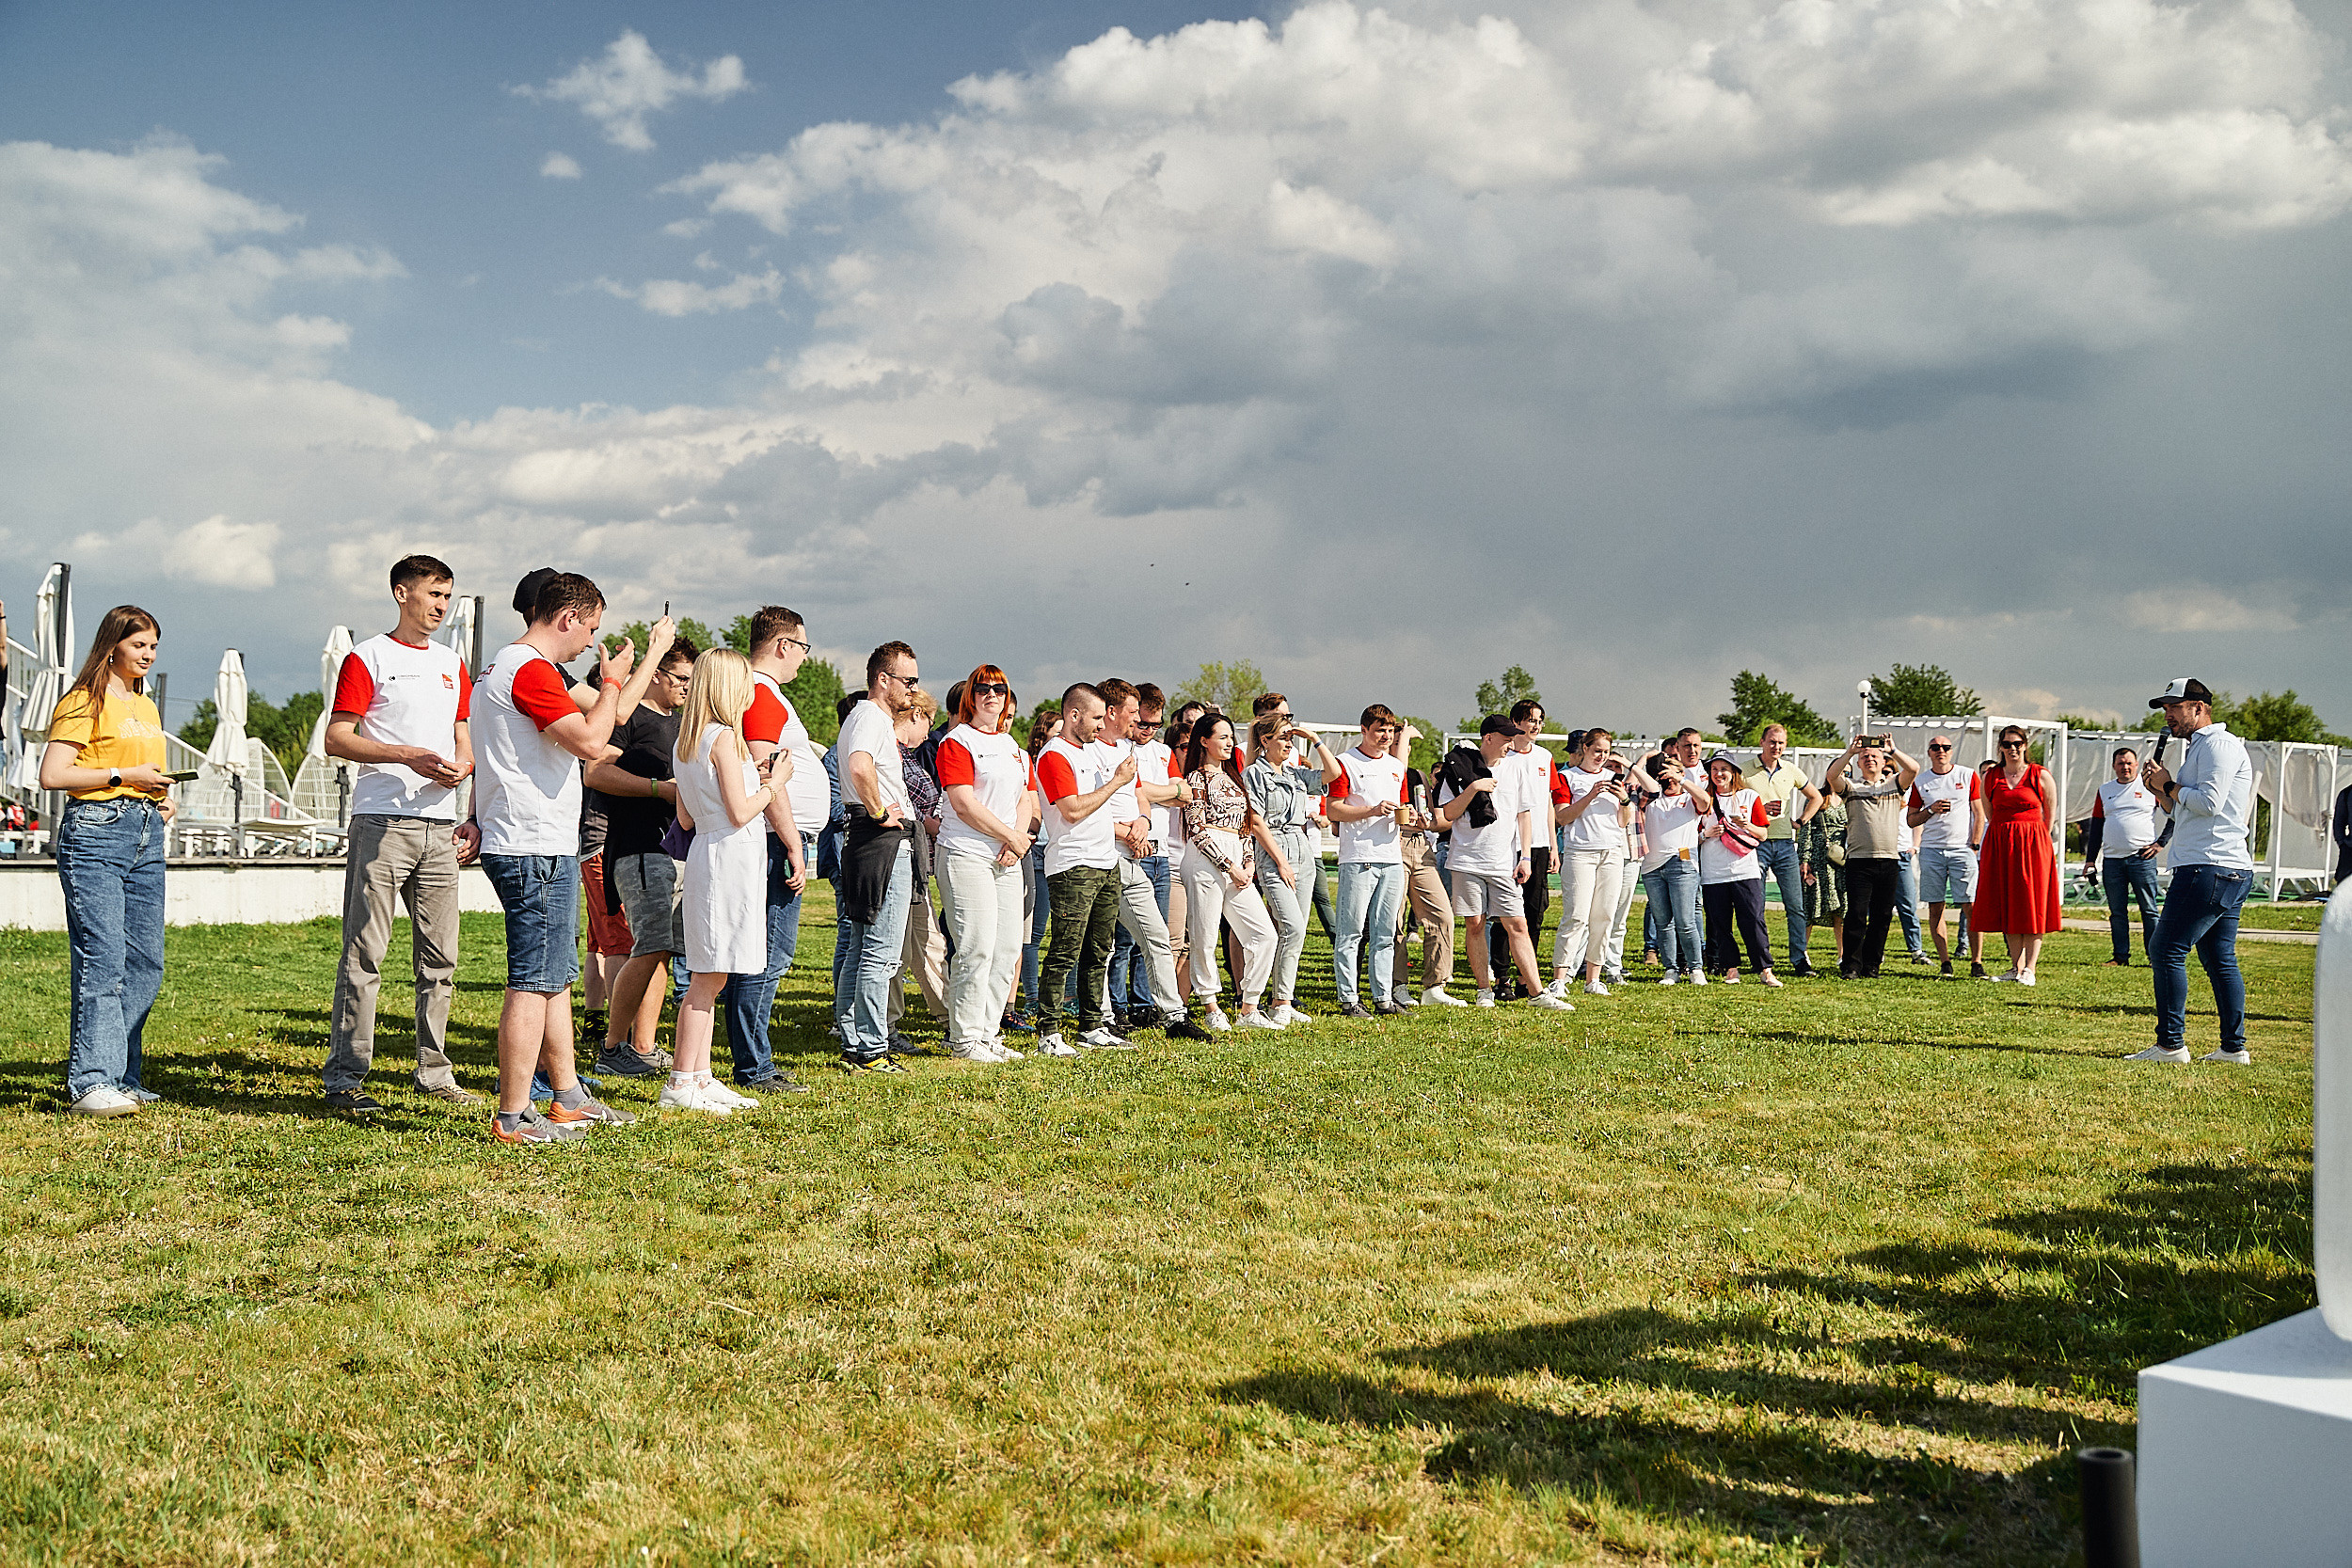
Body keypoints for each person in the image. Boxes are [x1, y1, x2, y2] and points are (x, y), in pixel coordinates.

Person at [471, 573, 666, 1143]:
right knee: (532, 980)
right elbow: (590, 741)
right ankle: (513, 1115)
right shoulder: (529, 669)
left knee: (554, 979)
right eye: (591, 628)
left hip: (541, 843)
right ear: (567, 618)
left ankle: (567, 1097)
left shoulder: (509, 667)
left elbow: (594, 727)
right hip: (531, 846)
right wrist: (612, 682)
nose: (590, 642)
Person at [320, 555, 480, 1115]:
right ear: (401, 593)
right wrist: (405, 756)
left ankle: (434, 1072)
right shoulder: (367, 656)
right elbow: (337, 738)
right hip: (382, 821)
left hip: (440, 824)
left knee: (441, 959)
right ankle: (345, 1078)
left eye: (448, 596)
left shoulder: (452, 662)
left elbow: (463, 734)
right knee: (365, 954)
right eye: (433, 593)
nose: (441, 606)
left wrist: (464, 765)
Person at [40, 605, 177, 1117]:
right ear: (112, 645)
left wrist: (161, 795)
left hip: (144, 830)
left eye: (154, 646)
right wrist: (123, 777)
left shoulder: (145, 705)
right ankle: (91, 1082)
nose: (149, 654)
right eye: (139, 645)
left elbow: (146, 769)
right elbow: (54, 775)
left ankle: (123, 1078)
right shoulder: (83, 700)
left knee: (145, 961)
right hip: (96, 833)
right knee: (104, 958)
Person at [661, 648, 777, 1115]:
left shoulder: (686, 741)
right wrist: (773, 784)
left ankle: (701, 1076)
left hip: (711, 852)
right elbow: (741, 811)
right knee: (708, 976)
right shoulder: (724, 738)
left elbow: (687, 816)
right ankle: (681, 1080)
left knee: (714, 970)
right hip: (729, 855)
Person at [721, 606, 826, 1096]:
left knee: (768, 952)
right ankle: (754, 1065)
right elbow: (768, 772)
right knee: (768, 953)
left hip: (777, 837)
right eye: (803, 647)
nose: (805, 657)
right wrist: (791, 841)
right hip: (774, 839)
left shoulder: (764, 692)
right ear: (783, 645)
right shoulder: (762, 694)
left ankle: (755, 1059)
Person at [582, 636, 695, 1078]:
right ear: (657, 674)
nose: (686, 687)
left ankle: (643, 1047)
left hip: (675, 849)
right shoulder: (627, 718)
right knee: (646, 946)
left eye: (692, 680)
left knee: (661, 950)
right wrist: (659, 789)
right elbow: (596, 772)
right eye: (681, 678)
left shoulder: (683, 723)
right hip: (639, 847)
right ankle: (613, 1048)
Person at [2130, 679, 2257, 1065]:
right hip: (2222, 864)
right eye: (2165, 708)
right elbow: (2184, 810)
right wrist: (2160, 791)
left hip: (2209, 865)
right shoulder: (2201, 747)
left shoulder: (2218, 745)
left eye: (2175, 707)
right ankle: (2233, 1049)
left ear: (2199, 708)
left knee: (2166, 949)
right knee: (2219, 958)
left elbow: (2210, 803)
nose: (2168, 715)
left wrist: (2169, 783)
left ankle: (2171, 1045)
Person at [935, 667, 1038, 1062]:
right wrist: (1010, 836)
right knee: (975, 947)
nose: (991, 695)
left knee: (1007, 947)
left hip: (1007, 855)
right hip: (967, 853)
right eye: (983, 688)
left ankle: (988, 1033)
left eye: (999, 688)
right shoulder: (957, 741)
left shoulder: (1011, 744)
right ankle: (963, 1038)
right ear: (971, 697)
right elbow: (963, 803)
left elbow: (1023, 798)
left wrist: (1017, 839)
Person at [1092, 679, 1204, 1040]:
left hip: (1133, 858)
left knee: (1156, 935)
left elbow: (1142, 794)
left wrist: (1142, 821)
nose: (1138, 722)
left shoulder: (1125, 751)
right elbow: (1080, 808)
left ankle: (1173, 1016)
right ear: (1113, 712)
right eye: (1133, 714)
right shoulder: (1086, 751)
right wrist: (1125, 832)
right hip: (1099, 857)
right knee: (1104, 944)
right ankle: (1103, 1016)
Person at [1035, 683, 1138, 1055]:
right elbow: (1072, 809)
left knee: (1099, 950)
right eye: (1096, 717)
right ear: (1073, 715)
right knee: (1065, 950)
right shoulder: (1054, 755)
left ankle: (1092, 1026)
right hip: (1073, 865)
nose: (1101, 724)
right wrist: (1116, 782)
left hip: (1105, 861)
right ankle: (1049, 1031)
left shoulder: (1089, 752)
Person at [834, 641, 923, 1073]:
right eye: (909, 681)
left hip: (867, 839)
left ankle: (854, 1039)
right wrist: (879, 811)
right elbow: (858, 765)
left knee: (860, 946)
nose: (914, 689)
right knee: (880, 951)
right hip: (882, 840)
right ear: (883, 679)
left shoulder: (864, 717)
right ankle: (871, 1047)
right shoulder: (871, 716)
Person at [1436, 719, 1566, 1009]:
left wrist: (1524, 857)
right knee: (1475, 925)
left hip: (1503, 863)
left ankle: (1537, 993)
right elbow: (1446, 814)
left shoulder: (1516, 767)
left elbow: (1524, 814)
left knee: (1518, 924)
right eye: (1507, 738)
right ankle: (1484, 991)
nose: (1511, 744)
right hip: (1466, 860)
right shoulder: (1459, 766)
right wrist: (1473, 788)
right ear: (1488, 738)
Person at [1177, 712, 1286, 1031]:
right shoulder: (1196, 779)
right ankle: (1210, 1006)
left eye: (1230, 737)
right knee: (1205, 936)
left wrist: (1248, 862)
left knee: (1264, 935)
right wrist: (1229, 865)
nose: (1229, 742)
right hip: (1205, 860)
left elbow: (1245, 826)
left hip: (1238, 859)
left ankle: (1249, 1007)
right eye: (1222, 737)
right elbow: (1196, 828)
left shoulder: (1234, 778)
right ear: (1204, 741)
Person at [1242, 711, 1341, 1025]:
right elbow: (1256, 821)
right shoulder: (1254, 773)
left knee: (1296, 933)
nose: (1289, 743)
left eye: (1291, 738)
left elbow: (1333, 773)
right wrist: (1281, 862)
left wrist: (1315, 740)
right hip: (1275, 849)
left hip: (1302, 846)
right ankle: (1265, 1000)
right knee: (1292, 927)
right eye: (1283, 737)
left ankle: (1282, 1001)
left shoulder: (1295, 773)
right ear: (1265, 740)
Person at [1328, 705, 1413, 1018]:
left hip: (1391, 858)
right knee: (1351, 932)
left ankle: (1383, 998)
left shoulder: (1396, 766)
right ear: (1364, 730)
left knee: (1385, 933)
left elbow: (1403, 806)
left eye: (1390, 730)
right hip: (1358, 857)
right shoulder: (1345, 762)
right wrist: (1372, 810)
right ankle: (1349, 999)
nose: (1386, 736)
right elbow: (1333, 809)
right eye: (1380, 730)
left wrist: (1410, 816)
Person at [1822, 735, 1922, 980]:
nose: (1870, 759)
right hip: (1859, 860)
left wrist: (1893, 750)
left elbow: (1913, 769)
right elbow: (1832, 776)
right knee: (1856, 914)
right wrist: (1850, 752)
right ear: (1858, 763)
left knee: (1882, 916)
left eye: (1875, 756)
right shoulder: (1852, 787)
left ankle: (1872, 965)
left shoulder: (1894, 785)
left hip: (1889, 860)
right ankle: (1851, 965)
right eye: (1865, 756)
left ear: (1883, 761)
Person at [1972, 724, 2063, 986]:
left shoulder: (2040, 774)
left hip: (2034, 844)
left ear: (2025, 745)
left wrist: (2036, 838)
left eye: (2017, 743)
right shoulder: (1991, 776)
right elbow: (1990, 812)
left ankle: (2030, 968)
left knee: (2033, 903)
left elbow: (2050, 813)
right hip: (2001, 844)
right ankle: (2016, 966)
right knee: (2008, 903)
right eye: (2007, 744)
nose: (2012, 748)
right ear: (2000, 747)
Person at [1549, 729, 1632, 998]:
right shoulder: (1567, 777)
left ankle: (1593, 979)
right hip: (1580, 853)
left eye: (1606, 752)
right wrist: (1591, 795)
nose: (1602, 757)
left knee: (1604, 916)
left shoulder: (1613, 777)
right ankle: (1560, 978)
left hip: (1612, 852)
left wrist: (1624, 800)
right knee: (1576, 916)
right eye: (1597, 751)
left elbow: (1623, 821)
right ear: (1584, 748)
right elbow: (1562, 818)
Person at [889, 689, 951, 1037]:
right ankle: (886, 1024)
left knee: (926, 944)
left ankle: (950, 1016)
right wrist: (931, 824)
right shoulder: (892, 754)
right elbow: (905, 808)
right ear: (916, 715)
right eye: (928, 722)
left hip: (916, 863)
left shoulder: (907, 754)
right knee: (901, 947)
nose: (929, 732)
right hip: (902, 859)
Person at [1906, 733, 1988, 979]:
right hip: (1932, 850)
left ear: (1951, 751)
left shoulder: (1967, 775)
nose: (1940, 751)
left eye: (1945, 747)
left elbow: (1979, 813)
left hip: (1962, 849)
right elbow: (1911, 820)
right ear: (1929, 753)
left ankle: (1976, 962)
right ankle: (1945, 962)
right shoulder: (1921, 781)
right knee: (1935, 907)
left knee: (1971, 905)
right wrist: (1930, 810)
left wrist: (1974, 845)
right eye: (1935, 747)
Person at [1486, 701, 1555, 991]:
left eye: (1539, 720)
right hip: (1509, 845)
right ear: (1516, 723)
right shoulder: (1504, 757)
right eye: (1530, 720)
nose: (1535, 726)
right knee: (1506, 912)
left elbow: (1548, 801)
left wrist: (1552, 845)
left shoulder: (1544, 756)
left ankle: (1527, 976)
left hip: (1538, 844)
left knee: (1535, 911)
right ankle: (1501, 975)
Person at [1695, 752, 1780, 985]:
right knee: (1720, 924)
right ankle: (1730, 969)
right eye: (1714, 770)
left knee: (1753, 919)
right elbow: (1691, 834)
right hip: (1713, 872)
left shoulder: (1749, 796)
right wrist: (1706, 834)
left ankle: (1765, 969)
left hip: (1745, 870)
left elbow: (1763, 834)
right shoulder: (1704, 800)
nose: (1719, 774)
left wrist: (1747, 825)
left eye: (1724, 769)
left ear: (1734, 773)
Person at [1749, 724, 1824, 976]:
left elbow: (1816, 797)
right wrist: (1759, 810)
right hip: (1756, 843)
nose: (1776, 747)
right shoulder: (1745, 770)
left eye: (1781, 743)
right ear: (1762, 742)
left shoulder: (1790, 769)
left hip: (1784, 844)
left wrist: (1801, 822)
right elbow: (1732, 804)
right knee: (1756, 907)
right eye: (1772, 741)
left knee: (1795, 905)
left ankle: (1800, 959)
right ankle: (1761, 960)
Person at [1392, 745, 1458, 1006]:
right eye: (1398, 742)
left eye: (1403, 743)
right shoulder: (1383, 771)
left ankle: (1435, 986)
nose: (1401, 747)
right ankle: (1397, 984)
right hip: (1392, 844)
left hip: (1421, 845)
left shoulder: (1418, 776)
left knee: (1442, 915)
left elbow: (1438, 818)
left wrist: (1427, 821)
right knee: (1394, 919)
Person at [2092, 745, 2170, 966]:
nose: (2125, 767)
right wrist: (2090, 859)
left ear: (2137, 765)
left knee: (2149, 910)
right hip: (2112, 860)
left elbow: (2173, 813)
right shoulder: (2105, 790)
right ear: (2114, 766)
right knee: (2117, 912)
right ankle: (2120, 957)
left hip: (2142, 859)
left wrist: (2160, 843)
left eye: (2129, 763)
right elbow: (2096, 826)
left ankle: (2154, 957)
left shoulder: (2150, 787)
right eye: (2120, 763)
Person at [1636, 750, 1708, 984]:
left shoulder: (1688, 799)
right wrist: (1643, 760)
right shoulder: (1651, 798)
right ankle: (1671, 969)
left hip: (1682, 863)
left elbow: (1705, 801)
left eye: (1673, 774)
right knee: (1663, 922)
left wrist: (1681, 778)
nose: (1669, 780)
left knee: (1685, 921)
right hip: (1652, 868)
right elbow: (1631, 784)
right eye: (1664, 774)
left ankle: (1696, 968)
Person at [1799, 787, 1849, 969]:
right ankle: (1802, 952)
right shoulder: (1817, 797)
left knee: (1841, 907)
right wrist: (1804, 858)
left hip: (1842, 859)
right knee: (1811, 904)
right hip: (1819, 858)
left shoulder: (1849, 799)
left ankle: (1843, 954)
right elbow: (1806, 829)